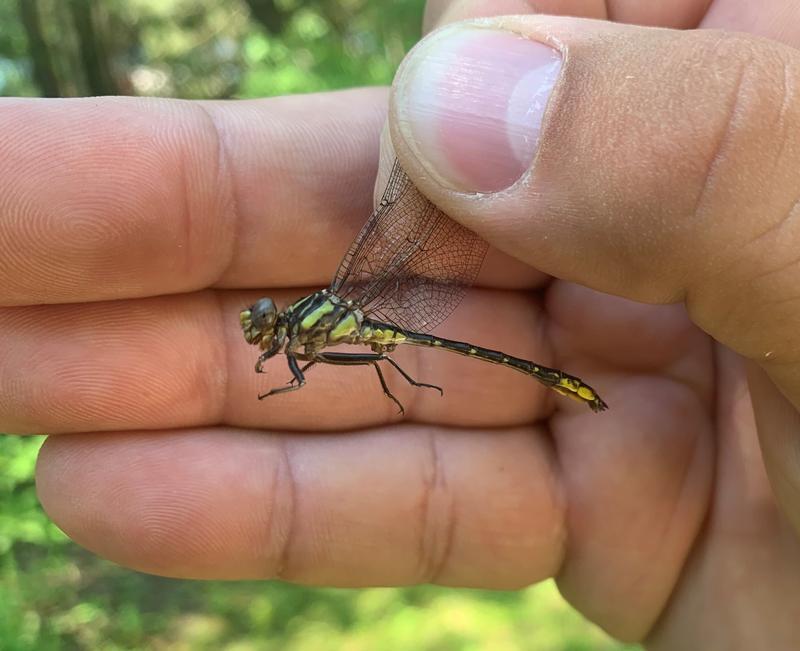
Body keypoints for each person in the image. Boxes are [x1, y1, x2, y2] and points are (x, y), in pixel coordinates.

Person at [3, 0, 799, 647]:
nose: (268, 334)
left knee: (401, 356)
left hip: (390, 332)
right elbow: (304, 366)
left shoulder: (314, 327)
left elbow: (307, 366)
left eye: (268, 327)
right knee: (394, 360)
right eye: (268, 329)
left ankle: (543, 381)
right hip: (384, 334)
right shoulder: (306, 333)